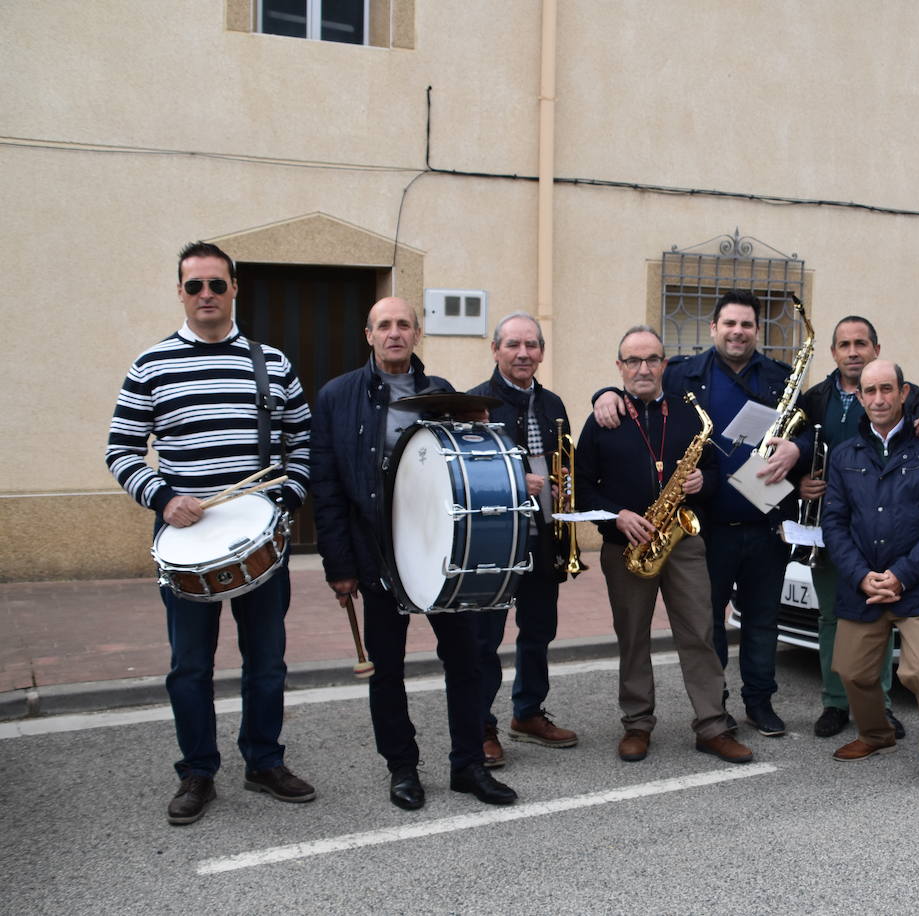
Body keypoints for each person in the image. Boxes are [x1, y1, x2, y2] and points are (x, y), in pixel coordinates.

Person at [106, 241, 315, 826]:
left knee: (266, 660)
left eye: (216, 285)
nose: (205, 295)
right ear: (180, 291)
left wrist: (286, 497)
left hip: (259, 536)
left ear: (234, 289)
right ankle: (197, 771)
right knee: (190, 665)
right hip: (185, 537)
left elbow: (302, 444)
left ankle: (263, 761)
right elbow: (121, 449)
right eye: (194, 285)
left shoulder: (271, 363)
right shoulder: (152, 365)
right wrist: (163, 497)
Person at [311, 297, 517, 810]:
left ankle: (468, 766)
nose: (394, 333)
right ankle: (402, 768)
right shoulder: (339, 396)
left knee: (466, 662)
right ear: (369, 334)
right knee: (387, 669)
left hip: (440, 547)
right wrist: (339, 567)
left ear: (417, 334)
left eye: (404, 324)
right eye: (384, 325)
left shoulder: (439, 392)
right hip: (376, 554)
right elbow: (327, 488)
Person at [592, 290, 809, 736]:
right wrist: (606, 392)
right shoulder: (684, 374)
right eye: (729, 323)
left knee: (762, 620)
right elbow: (639, 385)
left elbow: (808, 426)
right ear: (713, 329)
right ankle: (717, 707)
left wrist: (799, 449)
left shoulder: (781, 376)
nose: (738, 331)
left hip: (765, 518)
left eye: (747, 324)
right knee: (704, 626)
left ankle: (758, 702)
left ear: (756, 331)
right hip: (708, 525)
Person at [575, 326, 755, 764]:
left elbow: (714, 474)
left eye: (651, 359)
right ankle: (637, 724)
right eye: (633, 361)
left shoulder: (689, 414)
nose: (643, 368)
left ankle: (712, 725)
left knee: (699, 632)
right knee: (633, 637)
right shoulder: (603, 418)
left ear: (664, 365)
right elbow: (580, 489)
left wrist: (703, 481)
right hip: (626, 546)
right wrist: (617, 515)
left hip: (684, 540)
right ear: (619, 367)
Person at [798, 315, 919, 739]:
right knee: (842, 645)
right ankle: (859, 720)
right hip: (854, 557)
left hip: (909, 569)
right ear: (834, 355)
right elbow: (827, 506)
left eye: (860, 343)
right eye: (844, 345)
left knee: (917, 666)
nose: (879, 398)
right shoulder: (820, 406)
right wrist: (800, 479)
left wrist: (901, 574)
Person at [822, 360, 919, 797]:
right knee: (850, 671)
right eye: (870, 391)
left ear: (904, 393)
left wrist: (901, 575)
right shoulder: (845, 454)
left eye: (888, 389)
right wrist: (862, 575)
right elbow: (834, 523)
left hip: (916, 584)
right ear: (860, 397)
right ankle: (876, 734)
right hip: (863, 583)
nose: (879, 399)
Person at [470, 312, 578, 765]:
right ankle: (480, 727)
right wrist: (521, 479)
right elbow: (467, 475)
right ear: (495, 351)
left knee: (538, 631)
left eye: (531, 345)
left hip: (543, 539)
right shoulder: (472, 403)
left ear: (541, 353)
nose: (523, 353)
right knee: (484, 638)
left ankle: (527, 713)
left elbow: (566, 464)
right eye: (513, 344)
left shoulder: (552, 403)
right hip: (495, 541)